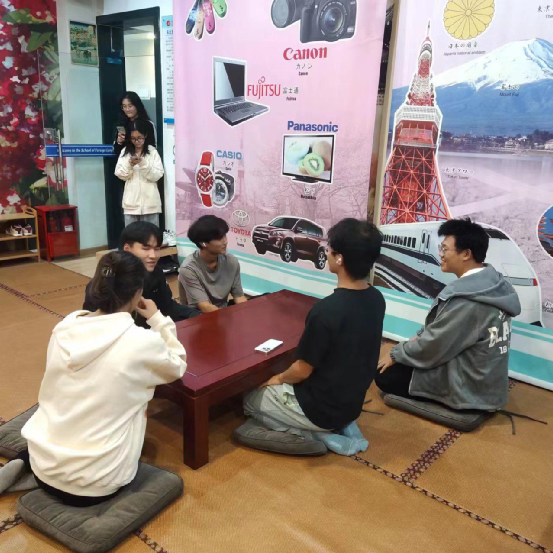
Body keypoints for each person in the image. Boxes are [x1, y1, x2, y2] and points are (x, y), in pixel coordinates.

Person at [0, 251, 186, 506]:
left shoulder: (65, 326)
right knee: (136, 400)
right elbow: (177, 365)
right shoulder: (141, 342)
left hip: (43, 466)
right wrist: (157, 319)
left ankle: (27, 462)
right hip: (99, 483)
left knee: (66, 402)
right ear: (137, 293)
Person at [239, 218, 386, 456]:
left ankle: (313, 434)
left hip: (320, 410)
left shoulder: (326, 310)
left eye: (330, 249)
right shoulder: (377, 299)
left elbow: (301, 371)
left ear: (340, 259)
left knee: (250, 400)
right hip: (351, 405)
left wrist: (276, 379)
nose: (327, 253)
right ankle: (334, 427)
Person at [376, 218, 521, 411]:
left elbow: (433, 346)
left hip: (470, 389)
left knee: (384, 376)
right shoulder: (494, 283)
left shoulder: (468, 300)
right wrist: (414, 341)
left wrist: (396, 354)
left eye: (445, 249)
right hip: (485, 379)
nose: (440, 254)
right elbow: (440, 332)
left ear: (466, 254)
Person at [84, 222, 199, 327]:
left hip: (151, 333)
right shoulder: (107, 281)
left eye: (157, 249)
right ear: (127, 249)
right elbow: (94, 324)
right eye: (146, 248)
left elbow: (167, 307)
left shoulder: (156, 272)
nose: (153, 256)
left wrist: (196, 315)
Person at [179, 215, 247, 313]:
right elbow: (205, 307)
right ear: (203, 243)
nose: (225, 241)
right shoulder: (189, 269)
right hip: (198, 315)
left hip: (222, 312)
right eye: (219, 238)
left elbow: (239, 297)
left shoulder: (231, 261)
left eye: (225, 236)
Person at [115, 119, 164, 227]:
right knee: (131, 235)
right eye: (133, 138)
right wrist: (129, 165)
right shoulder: (125, 152)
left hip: (150, 204)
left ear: (145, 135)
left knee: (151, 234)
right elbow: (119, 174)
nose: (136, 141)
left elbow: (157, 175)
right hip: (131, 204)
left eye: (139, 138)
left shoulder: (152, 152)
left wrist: (143, 164)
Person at [114, 91, 156, 158]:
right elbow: (116, 152)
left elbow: (152, 148)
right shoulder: (122, 125)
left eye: (130, 106)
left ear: (137, 106)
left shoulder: (148, 124)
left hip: (144, 161)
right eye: (124, 106)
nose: (127, 109)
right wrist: (119, 142)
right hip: (125, 161)